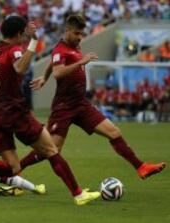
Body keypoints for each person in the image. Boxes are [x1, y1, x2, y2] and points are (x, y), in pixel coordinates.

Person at [0, 15, 100, 205]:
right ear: (19, 33)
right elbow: (20, 69)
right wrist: (33, 42)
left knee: (13, 168)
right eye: (24, 34)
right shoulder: (15, 50)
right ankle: (78, 194)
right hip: (15, 112)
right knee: (51, 149)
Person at [28, 14, 165, 179]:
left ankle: (141, 167)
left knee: (114, 132)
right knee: (52, 149)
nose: (80, 37)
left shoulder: (73, 46)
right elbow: (58, 72)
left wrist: (44, 76)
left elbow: (52, 63)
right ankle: (16, 168)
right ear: (67, 30)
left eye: (81, 34)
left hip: (81, 104)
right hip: (64, 106)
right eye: (76, 33)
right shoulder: (60, 49)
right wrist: (80, 63)